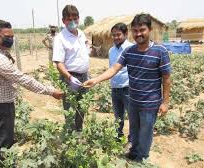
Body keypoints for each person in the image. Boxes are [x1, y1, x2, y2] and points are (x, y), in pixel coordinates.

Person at [83, 14, 172, 161]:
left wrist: (165, 102)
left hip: (150, 103)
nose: (138, 34)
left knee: (146, 132)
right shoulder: (129, 52)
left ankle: (141, 158)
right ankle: (134, 152)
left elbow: (167, 78)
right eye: (135, 31)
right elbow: (114, 69)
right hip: (133, 100)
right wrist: (96, 80)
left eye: (142, 30)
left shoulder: (160, 51)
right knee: (134, 130)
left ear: (149, 29)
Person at [0, 20, 63, 166]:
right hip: (1, 106)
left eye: (12, 36)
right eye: (7, 36)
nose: (10, 39)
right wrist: (50, 91)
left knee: (0, 135)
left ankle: (1, 159)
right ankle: (5, 163)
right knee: (5, 138)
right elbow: (23, 80)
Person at [52, 4, 90, 131]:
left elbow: (84, 47)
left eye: (75, 18)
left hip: (84, 76)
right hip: (70, 78)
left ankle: (78, 131)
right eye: (69, 19)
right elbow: (59, 63)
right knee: (69, 107)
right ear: (63, 21)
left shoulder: (81, 34)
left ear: (79, 18)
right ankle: (69, 133)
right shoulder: (60, 38)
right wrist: (69, 77)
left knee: (82, 106)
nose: (73, 21)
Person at [108, 23, 133, 141]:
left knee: (133, 116)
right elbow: (111, 69)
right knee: (118, 117)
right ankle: (117, 137)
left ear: (126, 34)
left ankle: (132, 140)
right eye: (114, 35)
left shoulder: (132, 48)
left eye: (118, 35)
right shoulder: (111, 51)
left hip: (128, 88)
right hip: (115, 88)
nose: (116, 37)